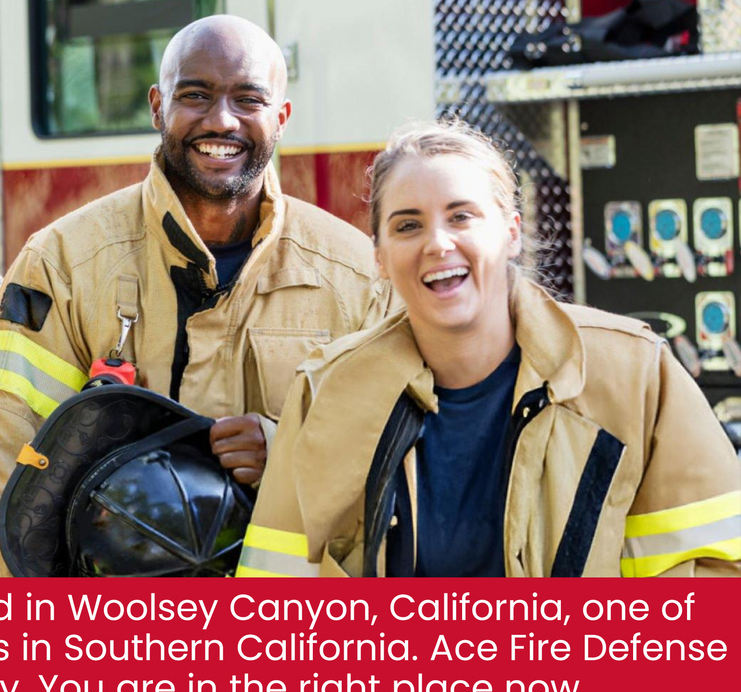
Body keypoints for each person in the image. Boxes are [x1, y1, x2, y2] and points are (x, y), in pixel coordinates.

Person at [0, 15, 396, 576]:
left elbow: (397, 466)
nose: (221, 120)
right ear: (156, 106)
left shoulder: (357, 276)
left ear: (282, 118)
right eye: (195, 95)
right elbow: (6, 463)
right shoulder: (64, 262)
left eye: (248, 99)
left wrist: (291, 450)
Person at [238, 120, 741, 578]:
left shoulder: (636, 375)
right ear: (381, 259)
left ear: (511, 233)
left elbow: (717, 579)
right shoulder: (325, 394)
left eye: (462, 217)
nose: (437, 243)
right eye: (408, 225)